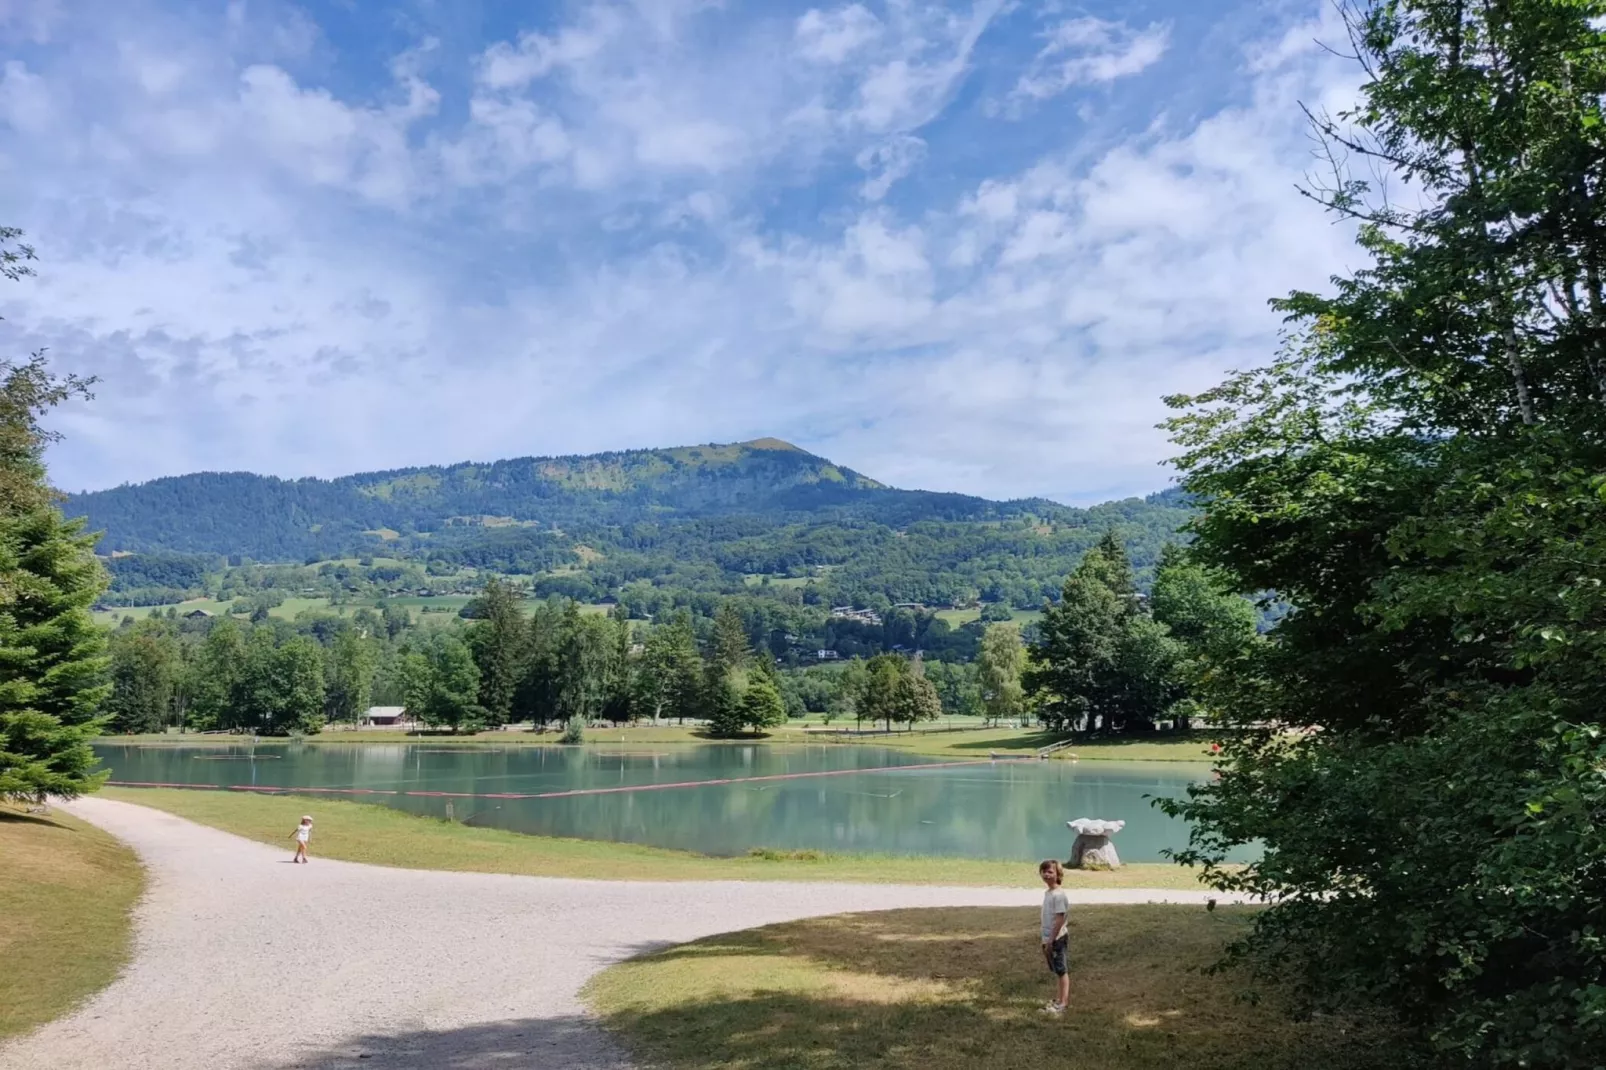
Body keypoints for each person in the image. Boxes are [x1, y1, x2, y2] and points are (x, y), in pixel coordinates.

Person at [1038, 859, 1070, 1015]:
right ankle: (1058, 999)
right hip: (1048, 938)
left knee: (1061, 970)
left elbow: (1059, 918)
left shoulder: (1058, 895)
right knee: (1056, 970)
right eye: (1043, 871)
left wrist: (1051, 939)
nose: (1046, 874)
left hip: (1057, 938)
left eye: (1050, 872)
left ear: (1058, 874)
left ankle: (1063, 1003)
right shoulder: (1048, 893)